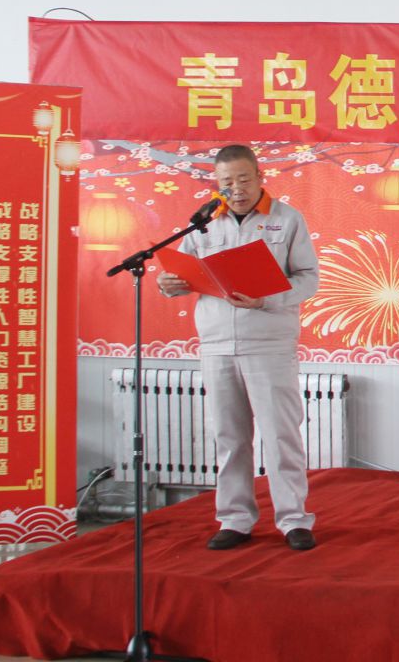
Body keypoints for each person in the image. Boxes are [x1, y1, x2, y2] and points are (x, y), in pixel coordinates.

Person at [158, 145, 322, 551]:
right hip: (216, 343)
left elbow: (309, 278)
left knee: (280, 434)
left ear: (260, 177)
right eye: (226, 182)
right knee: (228, 436)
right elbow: (182, 274)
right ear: (217, 184)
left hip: (269, 341)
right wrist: (169, 284)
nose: (236, 189)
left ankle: (293, 519)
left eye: (244, 179)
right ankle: (234, 519)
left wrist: (267, 299)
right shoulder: (203, 223)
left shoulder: (286, 219)